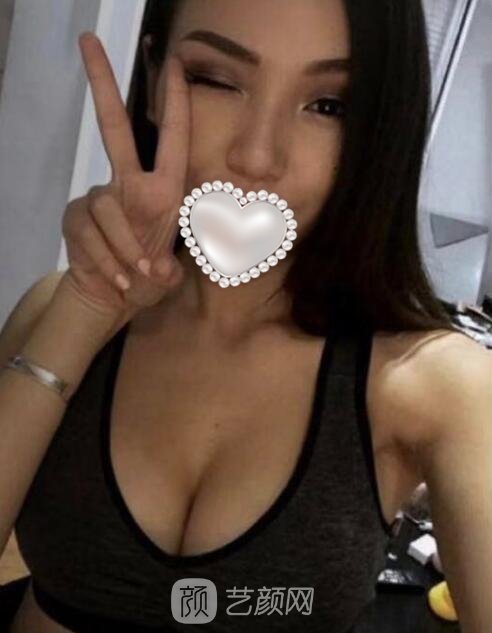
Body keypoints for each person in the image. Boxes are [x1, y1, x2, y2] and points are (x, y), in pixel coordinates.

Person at [0, 1, 491, 632]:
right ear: (153, 76)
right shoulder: (57, 309)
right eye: (217, 80)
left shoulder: (436, 383)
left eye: (329, 105)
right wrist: (88, 306)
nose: (258, 157)